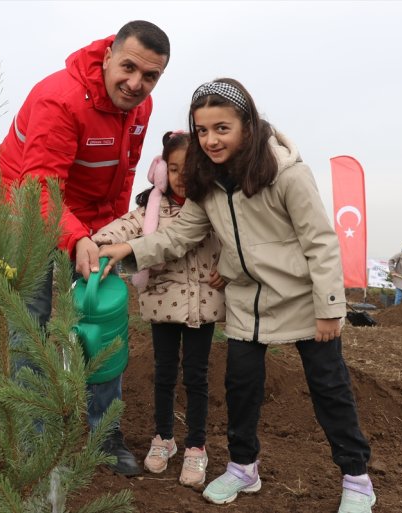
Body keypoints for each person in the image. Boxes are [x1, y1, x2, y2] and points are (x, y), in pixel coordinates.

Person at [99, 78, 375, 512]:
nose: (210, 139)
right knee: (240, 387)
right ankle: (244, 468)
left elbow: (321, 242)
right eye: (203, 130)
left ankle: (356, 479)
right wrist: (129, 249)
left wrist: (330, 308)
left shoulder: (287, 174)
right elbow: (179, 235)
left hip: (303, 300)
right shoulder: (207, 183)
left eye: (221, 128)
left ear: (247, 123)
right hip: (247, 302)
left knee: (329, 388)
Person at [0, 20, 171, 477]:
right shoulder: (62, 99)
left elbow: (122, 175)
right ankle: (34, 439)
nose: (136, 84)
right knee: (30, 324)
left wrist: (108, 235)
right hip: (27, 208)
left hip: (90, 216)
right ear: (108, 55)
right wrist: (75, 238)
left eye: (150, 76)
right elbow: (39, 185)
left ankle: (104, 433)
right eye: (129, 67)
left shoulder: (140, 107)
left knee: (105, 320)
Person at [91, 131, 226, 488]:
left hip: (203, 307)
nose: (182, 176)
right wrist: (92, 244)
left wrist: (229, 270)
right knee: (164, 374)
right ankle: (163, 438)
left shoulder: (214, 207)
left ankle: (196, 446)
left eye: (190, 168)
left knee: (196, 377)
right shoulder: (151, 209)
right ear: (164, 172)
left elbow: (236, 240)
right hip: (162, 304)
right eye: (175, 168)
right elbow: (122, 229)